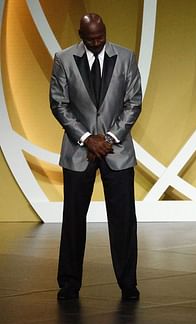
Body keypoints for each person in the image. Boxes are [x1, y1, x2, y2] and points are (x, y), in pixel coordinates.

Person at [49, 13, 142, 301]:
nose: (97, 42)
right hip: (79, 150)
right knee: (74, 218)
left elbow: (133, 102)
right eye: (91, 39)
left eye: (101, 36)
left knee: (123, 219)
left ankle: (128, 284)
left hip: (117, 149)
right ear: (81, 35)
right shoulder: (63, 59)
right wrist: (87, 138)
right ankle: (69, 283)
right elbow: (58, 103)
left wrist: (110, 138)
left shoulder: (126, 57)